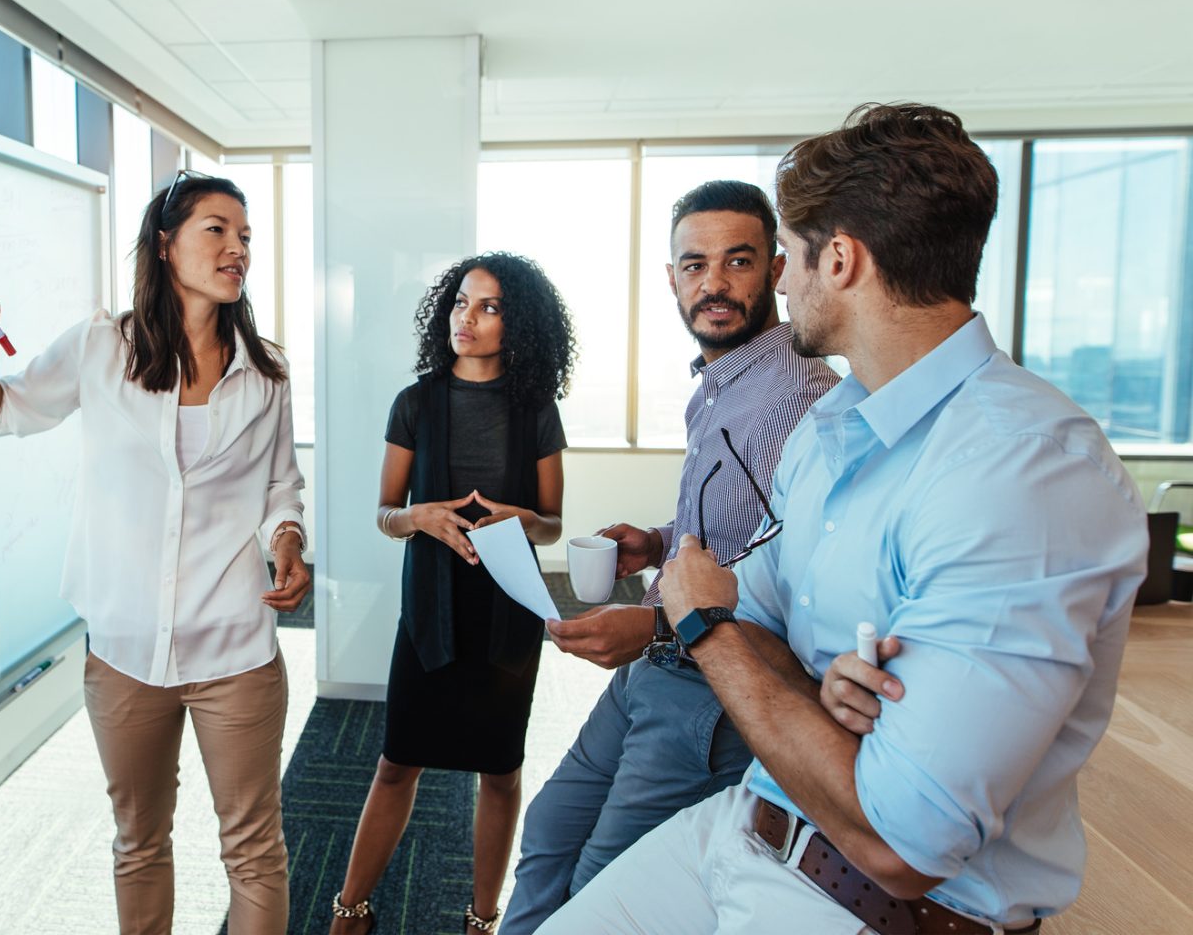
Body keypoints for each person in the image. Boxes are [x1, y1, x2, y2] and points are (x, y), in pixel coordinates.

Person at [538, 103, 1149, 935]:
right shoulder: (834, 431)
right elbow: (749, 603)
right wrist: (808, 683)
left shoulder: (1027, 471)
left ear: (840, 258)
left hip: (874, 904)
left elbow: (903, 839)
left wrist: (716, 630)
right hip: (746, 828)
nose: (783, 284)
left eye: (784, 256)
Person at [0, 170, 310, 935]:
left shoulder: (265, 372)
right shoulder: (101, 347)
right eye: (218, 229)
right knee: (140, 845)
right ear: (166, 243)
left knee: (253, 850)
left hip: (234, 647)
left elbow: (281, 488)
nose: (238, 247)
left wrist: (288, 541)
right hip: (124, 650)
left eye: (245, 235)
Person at [501, 181, 838, 933]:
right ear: (671, 277)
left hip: (709, 687)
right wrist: (658, 541)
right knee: (552, 829)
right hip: (657, 668)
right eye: (694, 265)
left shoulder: (797, 400)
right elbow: (735, 524)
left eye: (737, 261)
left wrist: (652, 627)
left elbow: (787, 581)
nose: (713, 283)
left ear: (777, 269)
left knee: (602, 893)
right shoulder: (721, 386)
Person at [329, 252, 577, 935]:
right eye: (461, 302)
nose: (466, 318)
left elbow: (553, 525)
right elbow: (384, 512)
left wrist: (523, 520)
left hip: (507, 614)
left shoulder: (534, 412)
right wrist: (420, 517)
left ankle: (482, 917)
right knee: (395, 763)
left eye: (489, 307)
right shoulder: (416, 403)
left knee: (499, 772)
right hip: (432, 611)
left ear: (517, 324)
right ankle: (350, 909)